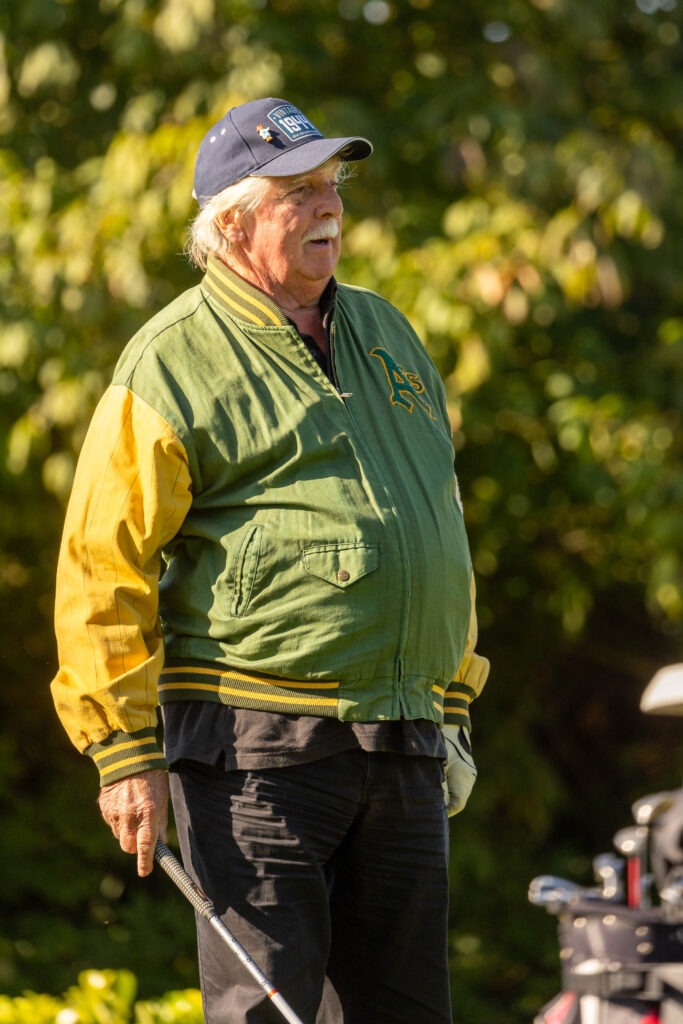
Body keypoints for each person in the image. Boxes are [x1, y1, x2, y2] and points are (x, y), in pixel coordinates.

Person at [51, 96, 490, 1024]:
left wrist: (450, 701)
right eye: (301, 192)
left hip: (405, 733)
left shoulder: (390, 332)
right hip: (256, 751)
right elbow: (102, 565)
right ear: (233, 222)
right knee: (269, 1013)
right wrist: (124, 753)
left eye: (333, 186)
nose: (330, 207)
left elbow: (434, 519)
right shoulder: (169, 359)